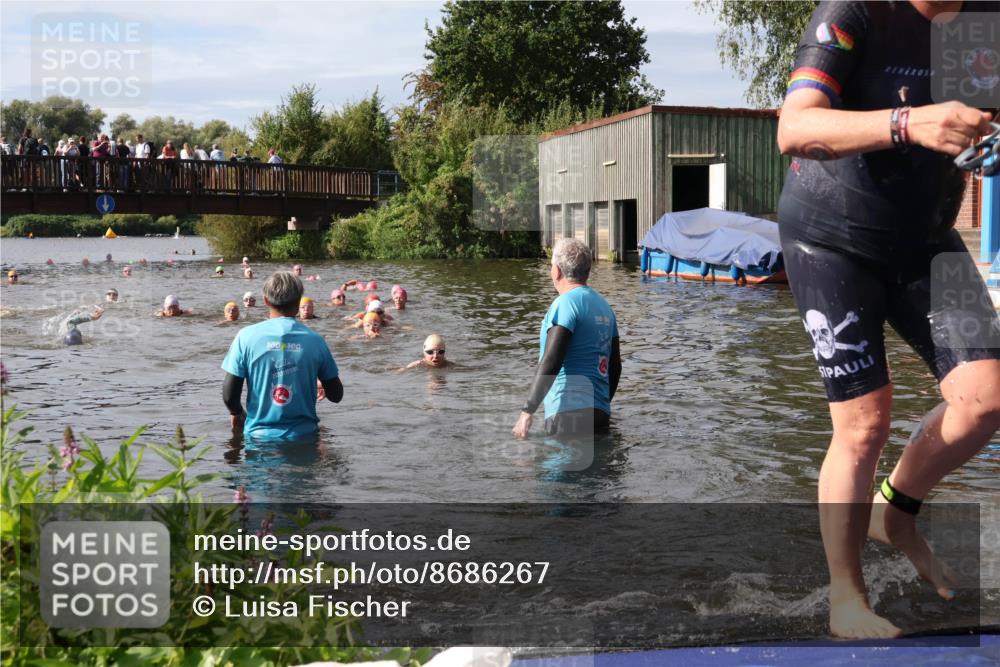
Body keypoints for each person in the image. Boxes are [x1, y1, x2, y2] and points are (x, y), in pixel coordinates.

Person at [775, 0, 1000, 640]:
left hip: (925, 236)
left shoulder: (987, 18)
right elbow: (795, 127)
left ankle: (894, 510)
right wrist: (908, 122)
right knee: (865, 419)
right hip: (830, 234)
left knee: (986, 399)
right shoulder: (854, 13)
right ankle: (846, 598)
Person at [512, 238, 621, 440]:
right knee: (596, 471)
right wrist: (602, 404)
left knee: (554, 470)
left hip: (566, 414)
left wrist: (527, 411)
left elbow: (552, 360)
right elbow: (615, 367)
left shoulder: (565, 304)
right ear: (587, 270)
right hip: (600, 414)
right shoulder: (606, 308)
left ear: (556, 271)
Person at [221, 271, 343, 439]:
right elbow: (336, 395)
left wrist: (238, 412)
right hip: (304, 438)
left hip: (258, 438)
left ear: (265, 300)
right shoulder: (316, 341)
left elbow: (229, 396)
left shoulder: (245, 337)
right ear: (299, 301)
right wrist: (319, 381)